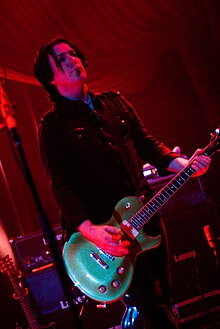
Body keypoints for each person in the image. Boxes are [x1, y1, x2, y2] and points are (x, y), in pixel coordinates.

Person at [33, 37, 211, 329]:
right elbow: (60, 186)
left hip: (147, 215)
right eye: (62, 59)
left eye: (73, 54)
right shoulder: (53, 127)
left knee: (164, 301)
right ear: (51, 78)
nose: (73, 60)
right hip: (109, 233)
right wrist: (90, 231)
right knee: (153, 306)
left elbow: (147, 145)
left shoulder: (114, 103)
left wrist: (186, 166)